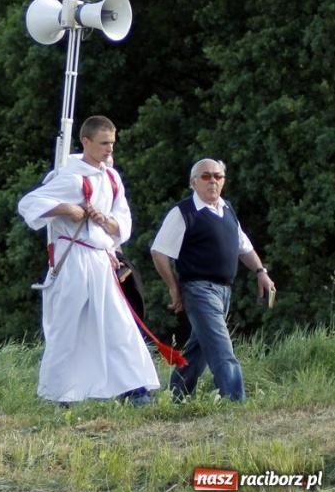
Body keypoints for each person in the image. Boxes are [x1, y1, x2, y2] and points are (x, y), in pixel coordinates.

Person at [18, 116, 160, 404]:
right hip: (73, 261)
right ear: (86, 142)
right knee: (67, 328)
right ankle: (60, 396)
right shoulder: (69, 176)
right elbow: (29, 204)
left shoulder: (111, 176)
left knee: (118, 325)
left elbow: (123, 220)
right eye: (104, 143)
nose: (110, 149)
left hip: (101, 260)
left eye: (112, 143)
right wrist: (66, 208)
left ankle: (134, 391)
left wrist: (106, 222)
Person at [151, 158, 276, 402]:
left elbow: (244, 248)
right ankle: (235, 402)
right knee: (221, 349)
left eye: (218, 176)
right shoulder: (183, 212)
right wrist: (173, 287)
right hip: (198, 289)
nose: (213, 181)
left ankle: (175, 396)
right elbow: (159, 251)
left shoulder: (226, 209)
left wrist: (261, 271)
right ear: (193, 182)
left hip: (224, 291)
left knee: (199, 350)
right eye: (206, 176)